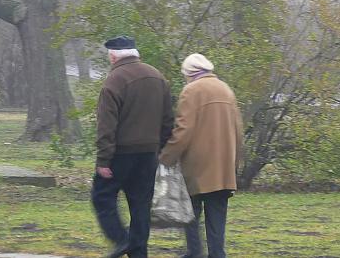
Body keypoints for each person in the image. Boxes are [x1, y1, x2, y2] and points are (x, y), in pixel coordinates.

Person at [92, 35, 174, 258]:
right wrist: (160, 149)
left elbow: (106, 125)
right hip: (148, 154)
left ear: (112, 56)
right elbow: (168, 120)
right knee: (140, 207)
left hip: (120, 154)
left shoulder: (114, 80)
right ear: (135, 53)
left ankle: (121, 240)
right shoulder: (158, 77)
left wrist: (103, 161)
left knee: (102, 196)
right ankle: (139, 253)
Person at [160, 53, 243, 258]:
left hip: (197, 167)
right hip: (223, 168)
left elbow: (183, 130)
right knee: (217, 216)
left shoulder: (191, 91)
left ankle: (194, 253)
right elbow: (238, 131)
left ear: (189, 73)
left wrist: (166, 157)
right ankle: (217, 254)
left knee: (191, 214)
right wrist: (234, 164)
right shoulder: (226, 89)